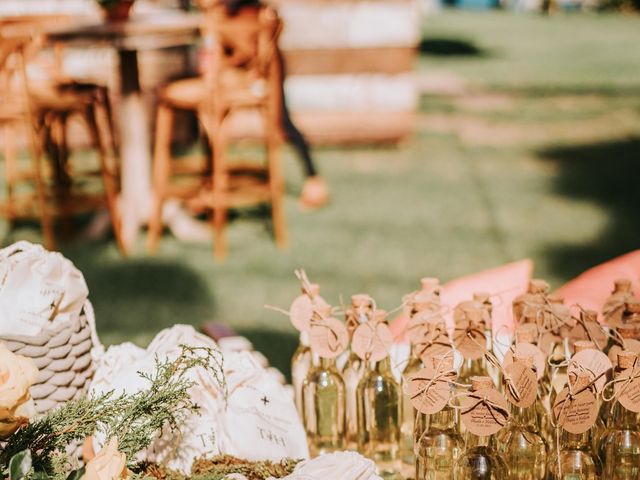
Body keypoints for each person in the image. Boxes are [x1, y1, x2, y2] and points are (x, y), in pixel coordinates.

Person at [216, 0, 329, 209]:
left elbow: (268, 19)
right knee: (211, 115)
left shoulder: (246, 10)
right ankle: (211, 181)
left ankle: (313, 179)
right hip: (236, 65)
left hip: (264, 65)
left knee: (282, 122)